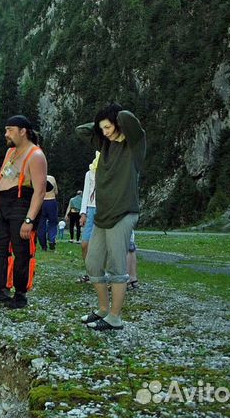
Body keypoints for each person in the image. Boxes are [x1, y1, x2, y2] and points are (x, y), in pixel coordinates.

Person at [76, 103, 146, 331]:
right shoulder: (104, 143)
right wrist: (101, 125)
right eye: (102, 129)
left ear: (117, 122)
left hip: (124, 212)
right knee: (93, 263)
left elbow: (128, 117)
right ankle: (103, 310)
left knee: (117, 267)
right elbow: (81, 130)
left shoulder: (134, 144)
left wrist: (114, 115)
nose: (104, 132)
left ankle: (115, 318)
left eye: (108, 127)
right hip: (103, 215)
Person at [0, 115, 48, 309]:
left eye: (9, 130)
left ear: (22, 131)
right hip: (5, 202)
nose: (6, 134)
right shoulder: (10, 152)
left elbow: (40, 191)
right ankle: (1, 290)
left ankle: (20, 294)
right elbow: (2, 181)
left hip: (22, 203)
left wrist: (29, 219)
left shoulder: (35, 155)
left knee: (21, 251)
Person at [76, 152, 99, 283]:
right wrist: (83, 213)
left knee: (101, 245)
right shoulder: (89, 173)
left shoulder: (111, 170)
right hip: (91, 209)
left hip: (105, 209)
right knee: (85, 244)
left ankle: (100, 273)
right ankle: (90, 272)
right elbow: (86, 193)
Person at [37, 174, 59, 251]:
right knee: (53, 223)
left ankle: (43, 245)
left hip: (40, 202)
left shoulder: (37, 178)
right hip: (51, 201)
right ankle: (52, 240)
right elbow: (56, 192)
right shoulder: (52, 178)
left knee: (41, 225)